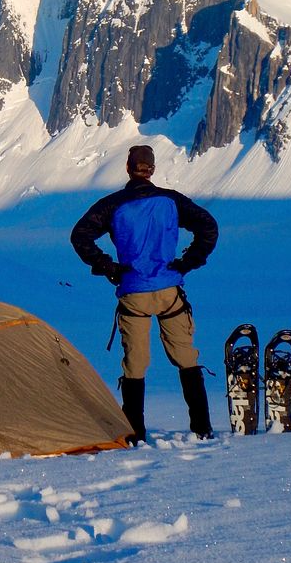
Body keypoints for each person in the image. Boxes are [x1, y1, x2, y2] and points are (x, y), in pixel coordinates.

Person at [70, 144, 219, 444]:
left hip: (133, 292)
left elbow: (80, 235)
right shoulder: (171, 201)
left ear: (128, 168)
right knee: (186, 358)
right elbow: (208, 227)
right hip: (169, 290)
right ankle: (202, 429)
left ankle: (135, 434)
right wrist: (188, 262)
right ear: (151, 169)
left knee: (135, 365)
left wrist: (108, 267)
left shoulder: (113, 204)